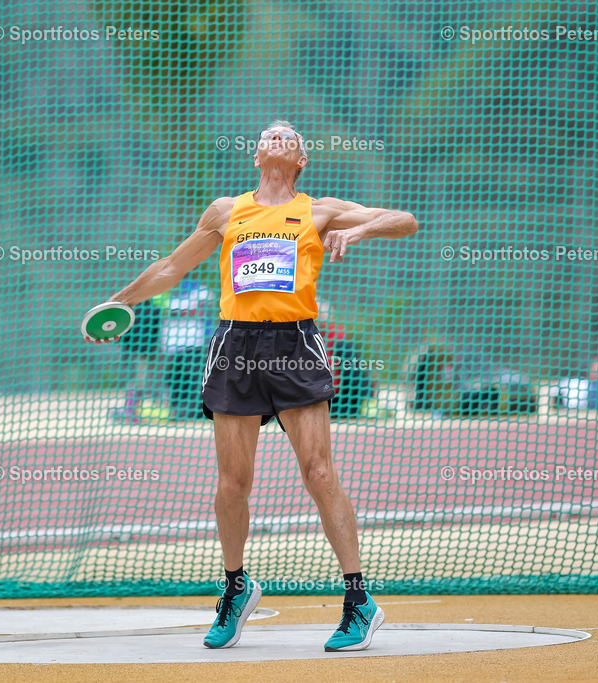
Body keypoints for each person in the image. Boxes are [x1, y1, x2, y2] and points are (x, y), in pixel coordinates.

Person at [86, 120, 417, 651]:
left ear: (301, 159)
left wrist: (362, 230)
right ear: (257, 156)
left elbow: (406, 220)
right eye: (269, 135)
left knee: (319, 472)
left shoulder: (320, 210)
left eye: (288, 135)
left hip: (294, 344)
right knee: (231, 484)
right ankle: (236, 588)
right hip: (234, 345)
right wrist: (118, 303)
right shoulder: (225, 211)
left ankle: (359, 601)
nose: (277, 136)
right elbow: (171, 267)